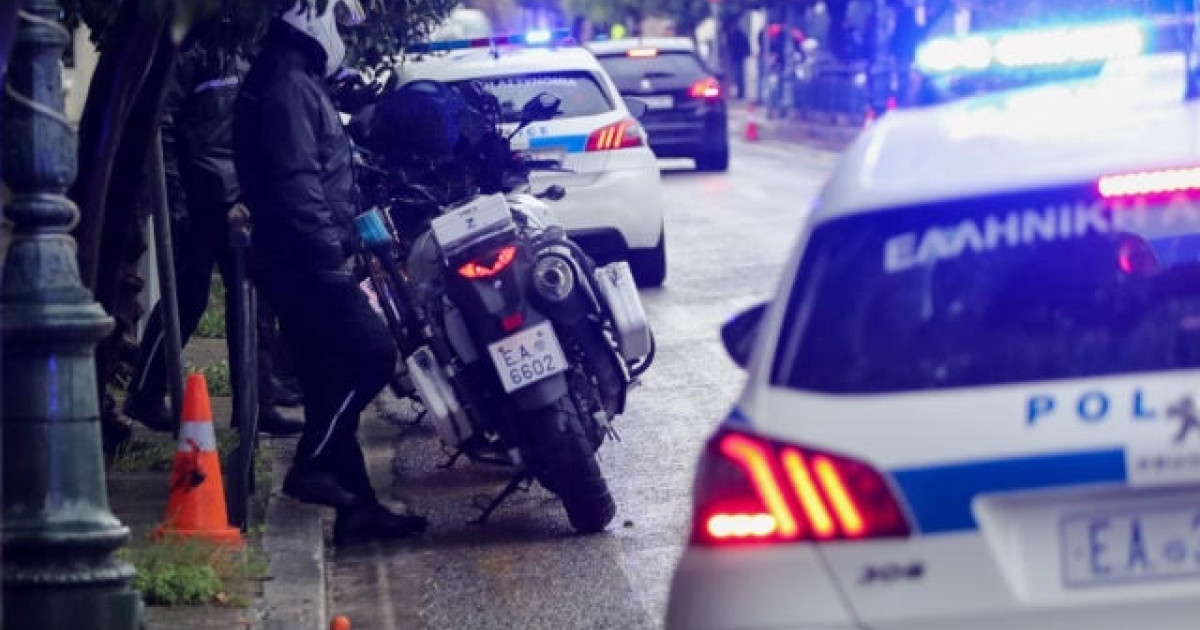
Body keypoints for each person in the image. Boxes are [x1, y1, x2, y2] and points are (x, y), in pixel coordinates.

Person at [233, 0, 428, 546]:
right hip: (302, 261)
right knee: (371, 355)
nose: (342, 34)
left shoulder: (291, 77)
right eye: (337, 19)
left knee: (325, 382)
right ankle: (311, 464)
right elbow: (296, 185)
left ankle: (358, 509)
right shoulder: (287, 86)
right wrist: (327, 262)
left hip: (293, 257)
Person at [122, 22, 304, 437]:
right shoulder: (193, 52)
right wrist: (177, 199)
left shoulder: (247, 49)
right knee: (189, 297)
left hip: (240, 195)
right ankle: (146, 393)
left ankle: (255, 405)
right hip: (201, 196)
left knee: (250, 303)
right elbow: (163, 125)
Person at [724, 23, 751, 100]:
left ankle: (740, 92)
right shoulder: (738, 35)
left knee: (738, 75)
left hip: (736, 57)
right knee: (738, 75)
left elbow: (731, 46)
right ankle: (740, 92)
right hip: (738, 57)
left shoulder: (735, 36)